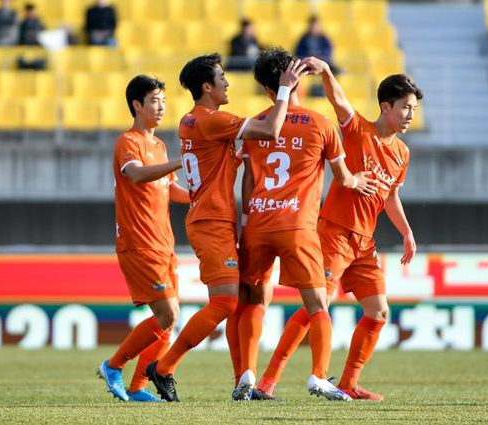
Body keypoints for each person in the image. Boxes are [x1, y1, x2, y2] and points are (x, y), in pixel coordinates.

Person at [252, 58, 421, 401]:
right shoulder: (357, 129)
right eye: (405, 108)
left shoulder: (402, 152)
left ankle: (347, 383)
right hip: (333, 234)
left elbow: (390, 196)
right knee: (316, 307)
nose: (410, 115)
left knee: (379, 312)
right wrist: (327, 72)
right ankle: (268, 380)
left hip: (363, 242)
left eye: (414, 109)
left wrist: (406, 232)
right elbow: (338, 101)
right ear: (386, 107)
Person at [145, 53, 308, 402]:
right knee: (225, 302)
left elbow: (217, 160)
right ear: (207, 87)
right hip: (211, 222)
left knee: (242, 299)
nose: (227, 82)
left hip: (214, 219)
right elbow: (270, 129)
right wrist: (283, 91)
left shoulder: (192, 121)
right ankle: (164, 367)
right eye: (222, 77)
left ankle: (243, 382)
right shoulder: (209, 120)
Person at [227, 47, 381, 401]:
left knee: (253, 302)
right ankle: (318, 377)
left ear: (267, 88)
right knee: (317, 306)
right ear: (296, 79)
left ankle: (247, 374)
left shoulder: (258, 124)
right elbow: (343, 178)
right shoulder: (321, 124)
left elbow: (248, 178)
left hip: (259, 224)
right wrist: (357, 180)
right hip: (297, 226)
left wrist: (247, 220)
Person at [96, 75, 190, 403]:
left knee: (170, 319)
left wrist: (204, 192)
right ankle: (113, 366)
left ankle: (138, 386)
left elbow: (171, 189)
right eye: (154, 100)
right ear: (137, 105)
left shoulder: (160, 145)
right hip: (139, 242)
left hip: (164, 242)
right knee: (168, 316)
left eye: (163, 100)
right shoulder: (128, 141)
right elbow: (135, 174)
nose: (161, 106)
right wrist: (181, 161)